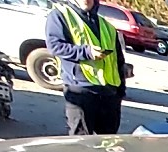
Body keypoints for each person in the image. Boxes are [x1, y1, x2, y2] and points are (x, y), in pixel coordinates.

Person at [46, 0, 126, 135]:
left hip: (109, 93)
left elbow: (118, 61)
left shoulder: (107, 26)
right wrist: (86, 52)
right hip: (81, 89)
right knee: (81, 142)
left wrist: (120, 91)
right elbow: (55, 46)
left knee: (109, 142)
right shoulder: (61, 15)